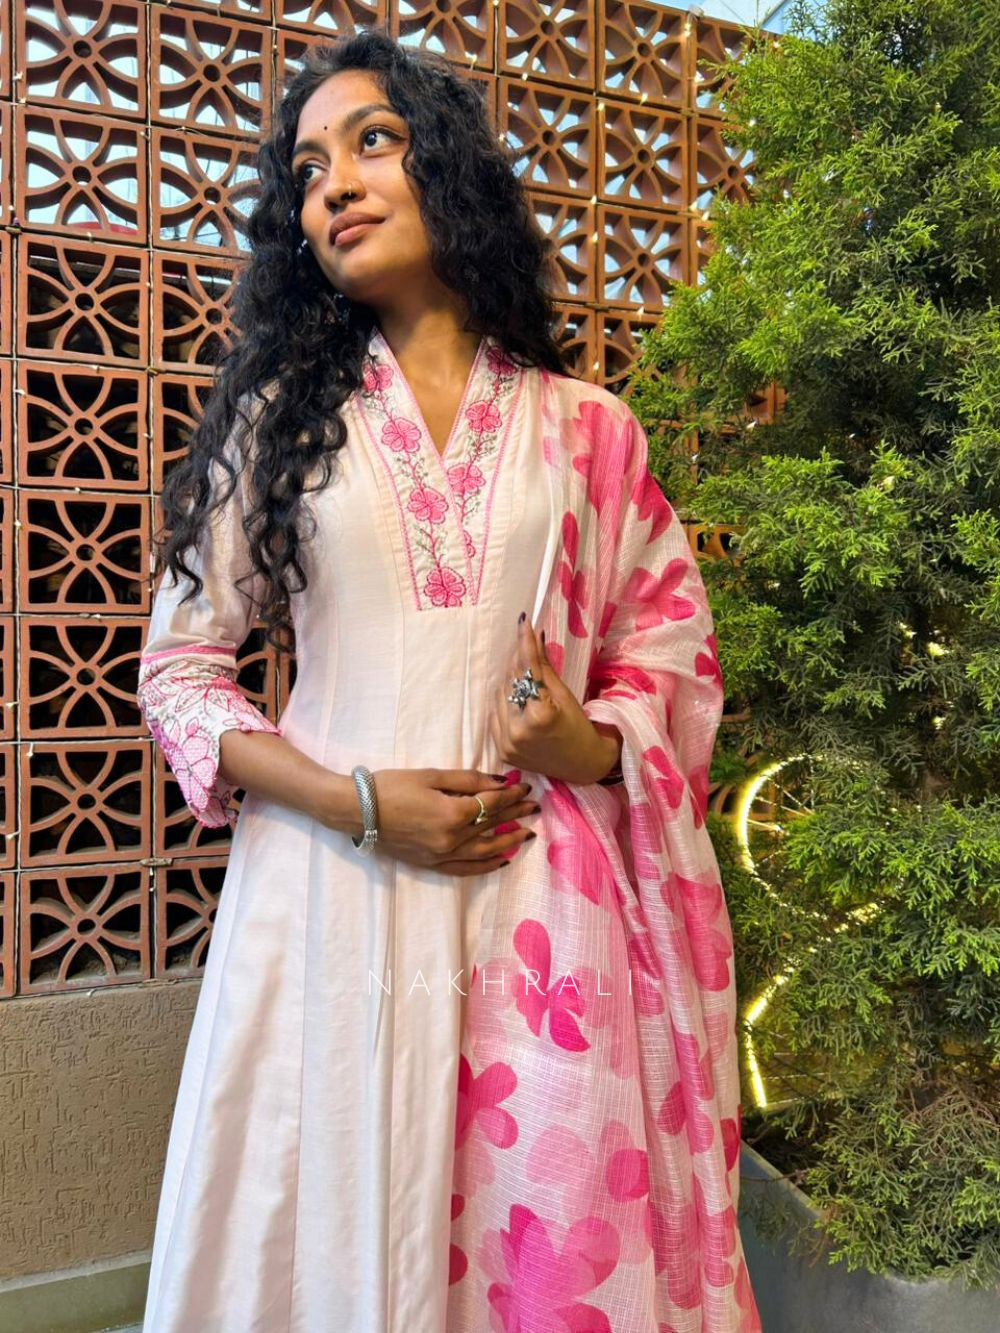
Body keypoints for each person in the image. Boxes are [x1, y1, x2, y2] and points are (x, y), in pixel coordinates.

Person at [136, 27, 761, 1333]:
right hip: (329, 893)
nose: (335, 187)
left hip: (539, 912)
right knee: (328, 1240)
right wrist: (356, 799)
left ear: (451, 173)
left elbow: (666, 649)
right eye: (308, 172)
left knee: (543, 1250)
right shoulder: (277, 424)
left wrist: (589, 743)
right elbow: (183, 672)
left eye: (372, 143)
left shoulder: (589, 431)